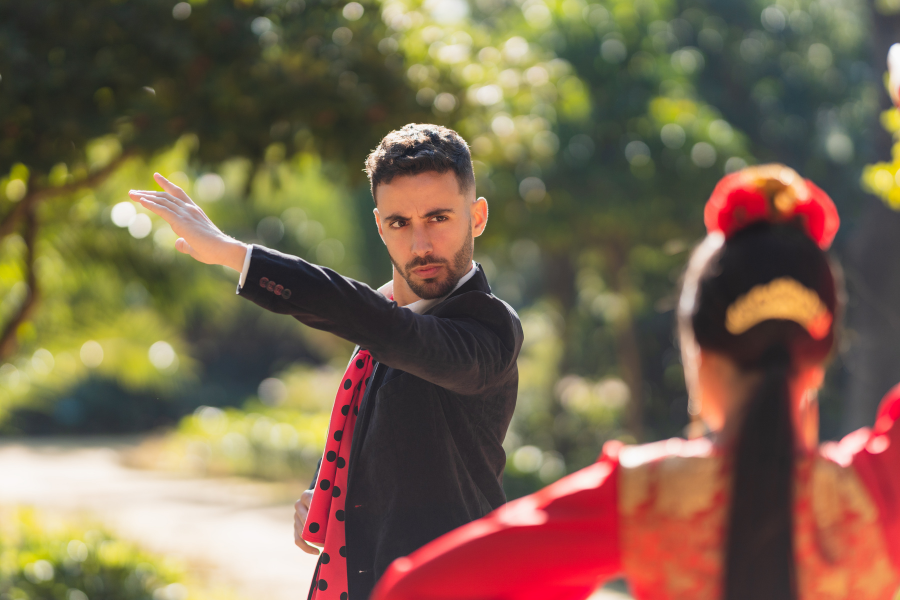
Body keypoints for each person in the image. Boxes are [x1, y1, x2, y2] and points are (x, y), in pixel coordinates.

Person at [370, 164, 900, 600]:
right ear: (823, 353)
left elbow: (416, 590)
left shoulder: (643, 496)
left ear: (699, 352)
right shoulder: (881, 483)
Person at [129, 124, 524, 600]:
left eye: (438, 218)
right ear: (380, 226)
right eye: (400, 223)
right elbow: (384, 430)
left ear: (477, 217)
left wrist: (237, 256)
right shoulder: (385, 325)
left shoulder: (488, 328)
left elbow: (384, 327)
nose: (420, 245)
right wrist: (332, 492)